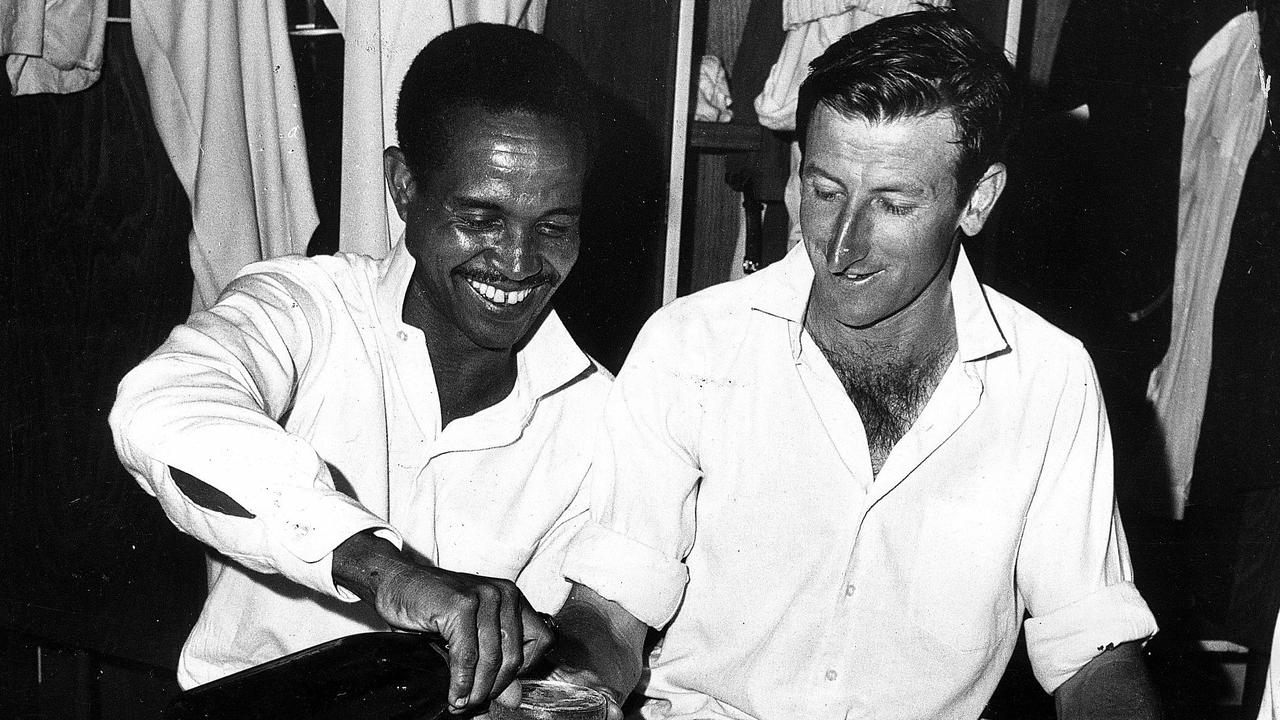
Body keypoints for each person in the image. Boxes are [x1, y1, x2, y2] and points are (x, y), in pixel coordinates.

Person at [546, 10, 1163, 720]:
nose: (841, 246)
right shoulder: (690, 347)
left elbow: (1091, 651)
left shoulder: (1049, 379)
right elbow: (613, 610)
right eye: (826, 190)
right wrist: (558, 694)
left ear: (978, 200)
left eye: (893, 204)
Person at [109, 23, 607, 716]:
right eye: (482, 217)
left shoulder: (597, 418)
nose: (519, 263)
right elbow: (158, 412)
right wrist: (390, 573)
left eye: (554, 227)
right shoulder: (305, 310)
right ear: (404, 187)